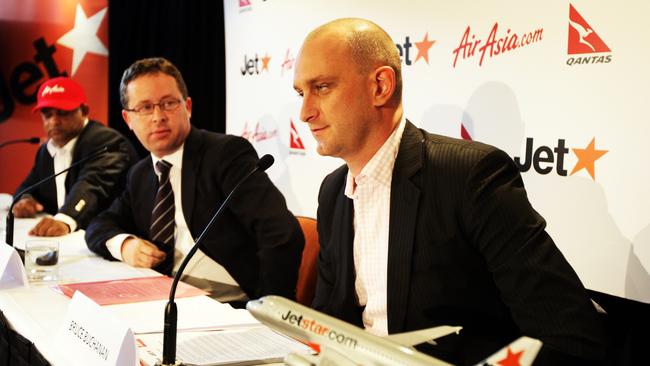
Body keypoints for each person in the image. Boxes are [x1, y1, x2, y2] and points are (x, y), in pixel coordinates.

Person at [293, 18, 608, 365]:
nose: (305, 112)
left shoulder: (469, 177)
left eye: (321, 87)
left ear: (380, 86)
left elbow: (569, 334)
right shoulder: (333, 191)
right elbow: (327, 320)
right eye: (300, 94)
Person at [85, 57, 304, 303]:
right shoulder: (141, 174)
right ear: (128, 120)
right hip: (161, 297)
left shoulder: (225, 155)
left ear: (187, 107)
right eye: (145, 107)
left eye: (168, 103)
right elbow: (99, 225)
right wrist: (125, 245)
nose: (158, 116)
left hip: (227, 303)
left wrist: (268, 311)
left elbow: (281, 233)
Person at [13, 76, 138, 236]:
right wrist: (25, 200)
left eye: (62, 113)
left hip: (115, 240)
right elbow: (27, 186)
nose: (54, 121)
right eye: (47, 114)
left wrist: (65, 219)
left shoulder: (105, 141)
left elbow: (92, 184)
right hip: (71, 242)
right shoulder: (47, 150)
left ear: (84, 111)